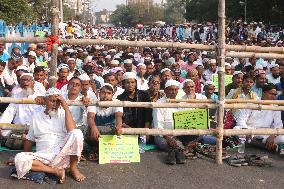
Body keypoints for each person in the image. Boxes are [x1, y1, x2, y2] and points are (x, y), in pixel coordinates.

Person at [14, 88, 85, 183]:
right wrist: (27, 157)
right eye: (52, 101)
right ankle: (55, 171)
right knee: (19, 158)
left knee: (77, 133)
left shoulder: (64, 113)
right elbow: (29, 139)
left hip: (62, 155)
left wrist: (65, 106)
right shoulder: (37, 116)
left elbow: (72, 130)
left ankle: (73, 168)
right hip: (43, 157)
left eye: (58, 102)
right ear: (45, 101)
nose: (55, 104)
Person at [235, 84, 284, 154]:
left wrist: (273, 136)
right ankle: (261, 145)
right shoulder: (252, 103)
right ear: (264, 93)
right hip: (249, 130)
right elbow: (241, 120)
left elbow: (278, 125)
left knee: (282, 138)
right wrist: (246, 130)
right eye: (271, 94)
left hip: (265, 133)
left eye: (275, 94)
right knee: (236, 129)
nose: (274, 96)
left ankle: (255, 144)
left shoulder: (276, 107)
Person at [152, 79, 190, 165]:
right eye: (171, 90)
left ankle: (175, 150)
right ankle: (179, 150)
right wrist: (168, 138)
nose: (173, 92)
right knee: (162, 142)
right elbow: (158, 125)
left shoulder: (181, 102)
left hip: (179, 133)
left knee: (198, 135)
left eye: (175, 89)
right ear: (165, 91)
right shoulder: (159, 103)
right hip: (164, 135)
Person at [86, 83, 123, 158]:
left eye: (109, 93)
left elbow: (119, 116)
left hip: (110, 131)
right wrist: (93, 127)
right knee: (88, 131)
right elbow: (90, 117)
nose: (105, 95)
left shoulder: (117, 102)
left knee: (120, 131)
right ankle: (96, 149)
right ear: (99, 94)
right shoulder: (94, 102)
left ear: (112, 94)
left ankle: (95, 150)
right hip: (96, 132)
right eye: (103, 92)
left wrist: (119, 127)